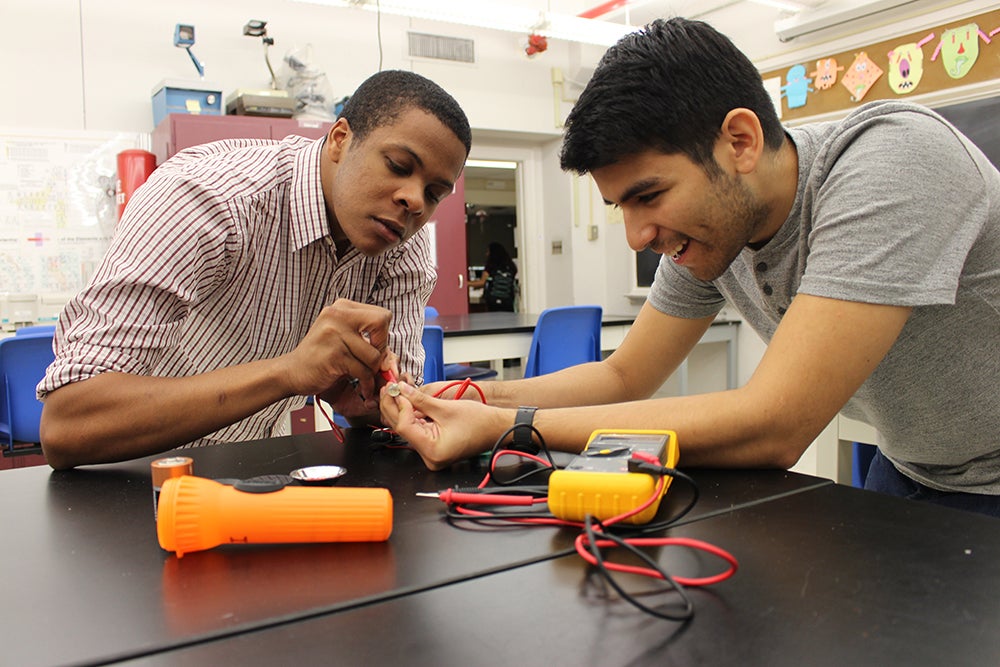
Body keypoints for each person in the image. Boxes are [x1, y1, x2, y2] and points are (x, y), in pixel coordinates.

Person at [383, 18, 1000, 517]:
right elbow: (625, 375)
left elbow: (776, 424)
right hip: (919, 466)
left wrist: (506, 427)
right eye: (621, 206)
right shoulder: (714, 231)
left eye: (648, 196)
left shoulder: (891, 161)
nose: (637, 237)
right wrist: (465, 396)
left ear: (739, 142)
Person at [39, 69, 471, 470]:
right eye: (398, 165)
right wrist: (288, 372)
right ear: (340, 138)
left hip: (258, 470)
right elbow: (66, 426)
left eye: (434, 193)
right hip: (133, 478)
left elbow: (386, 414)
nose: (414, 201)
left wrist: (372, 404)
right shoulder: (208, 199)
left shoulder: (402, 247)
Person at [468, 241, 518, 311]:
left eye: (488, 251)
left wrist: (466, 283)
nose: (486, 254)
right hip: (507, 301)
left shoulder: (491, 265)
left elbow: (482, 282)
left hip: (493, 301)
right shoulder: (511, 266)